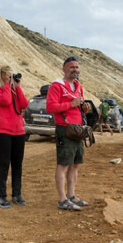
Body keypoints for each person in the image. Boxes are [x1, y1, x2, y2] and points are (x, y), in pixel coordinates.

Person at [46, 56, 89, 211]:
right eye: (71, 67)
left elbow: (78, 105)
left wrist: (83, 108)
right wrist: (70, 104)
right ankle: (62, 199)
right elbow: (50, 107)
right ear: (64, 69)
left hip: (78, 129)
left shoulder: (78, 86)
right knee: (63, 165)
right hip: (65, 128)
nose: (75, 70)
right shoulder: (57, 86)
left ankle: (71, 196)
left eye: (77, 67)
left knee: (75, 164)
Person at [0, 66, 29, 208]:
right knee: (4, 165)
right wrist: (6, 84)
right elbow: (6, 101)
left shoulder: (13, 90)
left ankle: (17, 194)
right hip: (2, 132)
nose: (10, 78)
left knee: (17, 165)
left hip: (18, 131)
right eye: (7, 75)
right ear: (1, 75)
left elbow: (24, 104)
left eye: (10, 75)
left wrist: (17, 87)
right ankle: (1, 196)